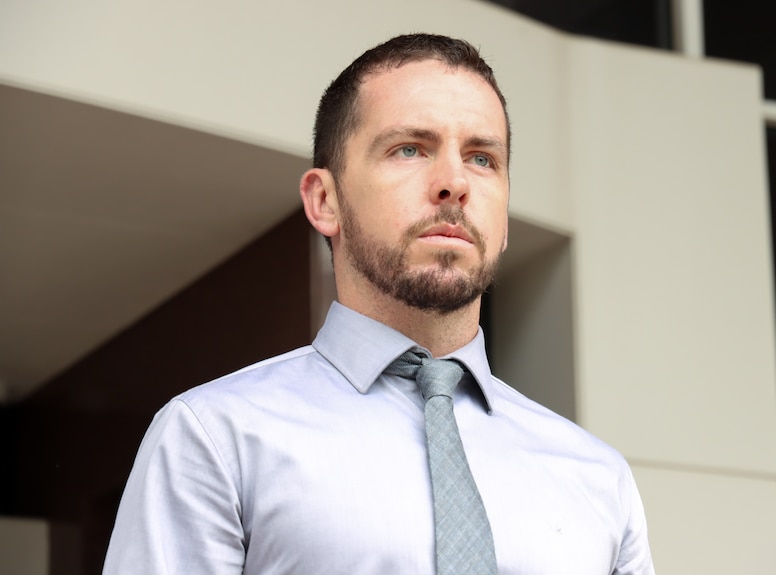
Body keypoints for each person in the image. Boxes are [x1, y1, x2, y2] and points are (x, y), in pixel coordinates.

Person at [103, 33, 655, 574]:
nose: (454, 183)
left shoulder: (599, 479)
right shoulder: (215, 441)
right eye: (409, 149)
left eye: (483, 159)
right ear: (325, 200)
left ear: (505, 217)